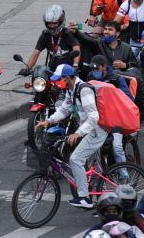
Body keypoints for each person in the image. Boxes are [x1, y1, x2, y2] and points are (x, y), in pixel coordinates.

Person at [38, 63, 104, 209]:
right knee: (92, 166)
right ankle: (101, 198)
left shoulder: (84, 90)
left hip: (96, 131)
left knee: (75, 159)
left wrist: (77, 133)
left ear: (68, 77)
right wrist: (48, 121)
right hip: (89, 130)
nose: (57, 82)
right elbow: (64, 110)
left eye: (60, 78)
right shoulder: (71, 90)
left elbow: (94, 117)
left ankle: (85, 199)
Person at [25, 5, 80, 72]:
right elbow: (36, 53)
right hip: (52, 70)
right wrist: (27, 69)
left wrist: (75, 66)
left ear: (61, 22)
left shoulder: (67, 34)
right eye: (49, 23)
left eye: (54, 23)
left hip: (68, 71)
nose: (52, 26)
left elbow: (77, 49)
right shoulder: (45, 35)